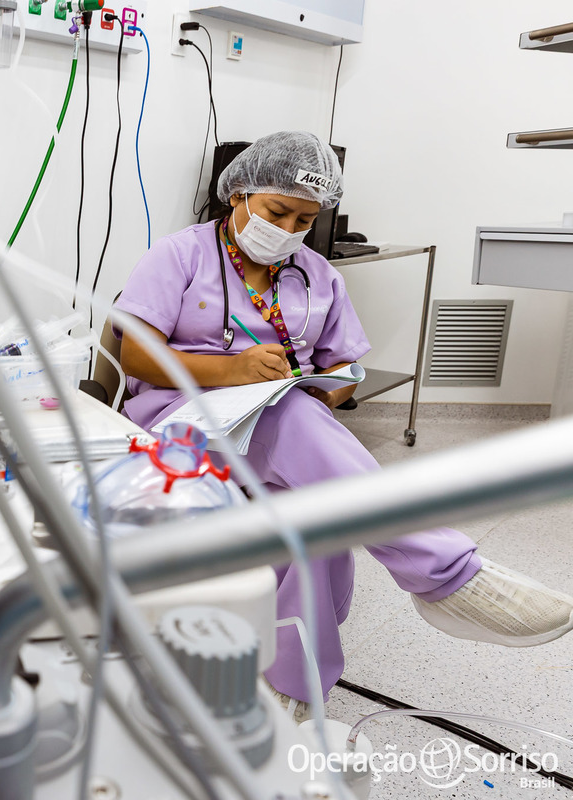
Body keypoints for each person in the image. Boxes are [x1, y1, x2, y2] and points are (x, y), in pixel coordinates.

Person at [112, 130, 573, 718]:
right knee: (288, 415)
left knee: (316, 519)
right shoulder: (180, 255)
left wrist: (328, 385)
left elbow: (343, 365)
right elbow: (133, 356)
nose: (288, 230)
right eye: (277, 211)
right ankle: (446, 574)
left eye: (304, 220)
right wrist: (232, 372)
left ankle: (293, 690)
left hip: (277, 430)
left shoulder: (317, 275)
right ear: (238, 195)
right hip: (179, 426)